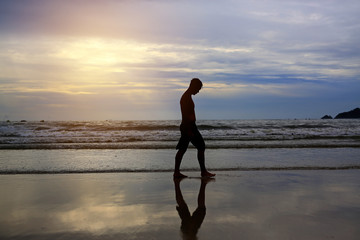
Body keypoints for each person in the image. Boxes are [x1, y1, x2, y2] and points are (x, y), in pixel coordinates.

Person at [174, 78, 215, 178]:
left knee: (183, 149)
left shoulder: (187, 96)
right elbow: (185, 115)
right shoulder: (186, 97)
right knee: (200, 146)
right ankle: (203, 172)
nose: (198, 91)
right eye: (198, 88)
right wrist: (188, 129)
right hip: (188, 126)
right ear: (193, 86)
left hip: (189, 126)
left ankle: (177, 172)